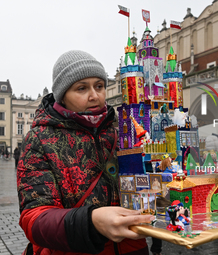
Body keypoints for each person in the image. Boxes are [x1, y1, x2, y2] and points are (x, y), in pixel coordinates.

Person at [17, 50, 153, 255]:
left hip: (132, 249)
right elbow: (34, 219)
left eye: (99, 86)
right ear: (62, 96)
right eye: (82, 88)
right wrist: (91, 222)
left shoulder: (122, 134)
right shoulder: (39, 139)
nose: (94, 95)